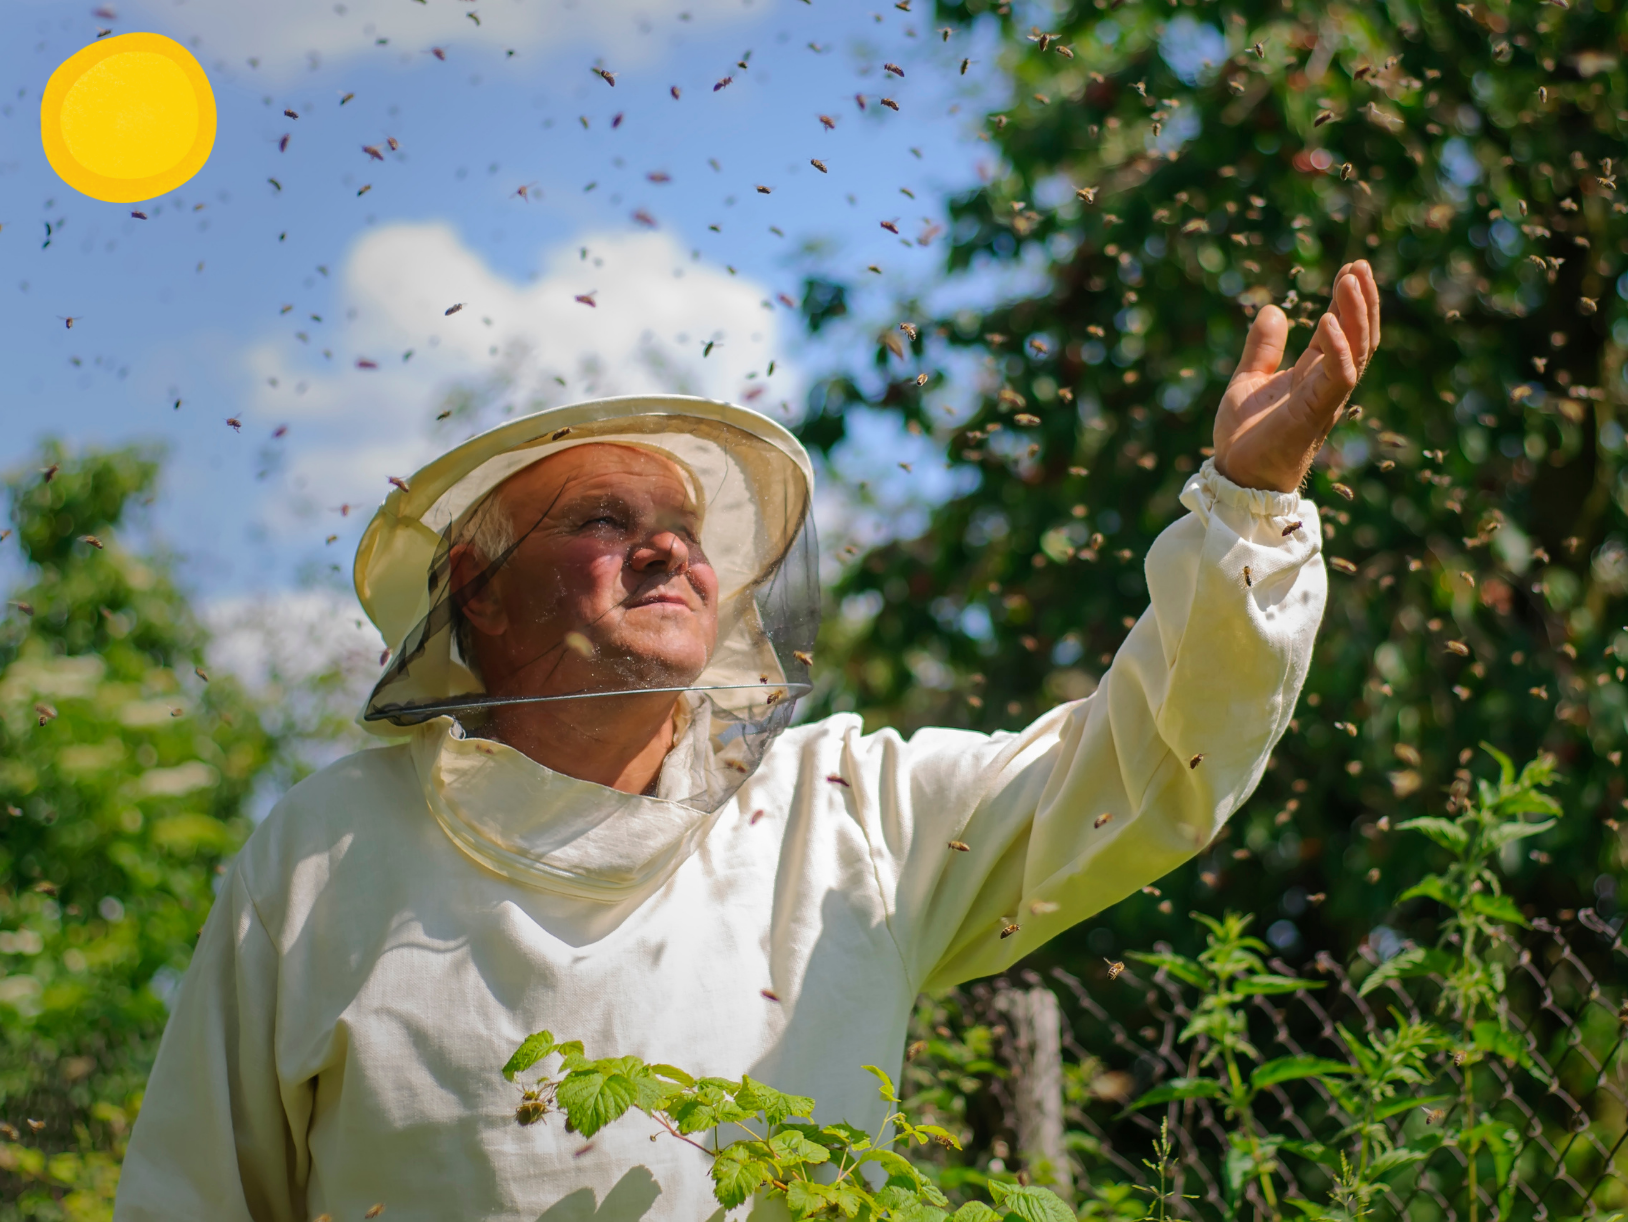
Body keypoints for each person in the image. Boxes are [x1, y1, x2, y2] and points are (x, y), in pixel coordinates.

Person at [116, 264, 1381, 1221]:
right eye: (602, 518)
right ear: (478, 590)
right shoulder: (326, 851)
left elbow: (1149, 766)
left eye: (683, 524)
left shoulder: (849, 810)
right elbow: (195, 1191)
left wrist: (1246, 509)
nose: (668, 548)